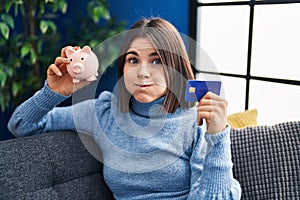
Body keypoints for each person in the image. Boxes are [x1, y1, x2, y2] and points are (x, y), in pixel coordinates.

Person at [8, 17, 241, 199]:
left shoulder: (196, 120)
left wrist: (217, 136)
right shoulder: (104, 112)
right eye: (133, 60)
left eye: (156, 60)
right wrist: (55, 91)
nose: (142, 72)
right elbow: (21, 125)